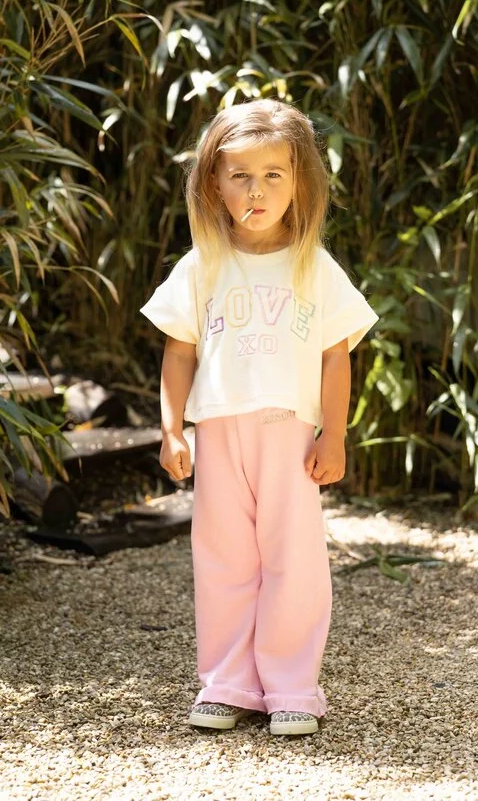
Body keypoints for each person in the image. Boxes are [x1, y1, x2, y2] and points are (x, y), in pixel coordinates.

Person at [140, 99, 378, 736]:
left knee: (293, 559)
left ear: (298, 181)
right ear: (213, 183)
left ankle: (292, 687)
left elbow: (335, 356)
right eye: (240, 175)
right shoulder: (202, 264)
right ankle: (228, 684)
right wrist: (171, 428)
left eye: (274, 175)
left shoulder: (313, 264)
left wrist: (335, 433)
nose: (256, 190)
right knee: (223, 558)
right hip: (219, 431)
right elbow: (179, 351)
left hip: (288, 433)